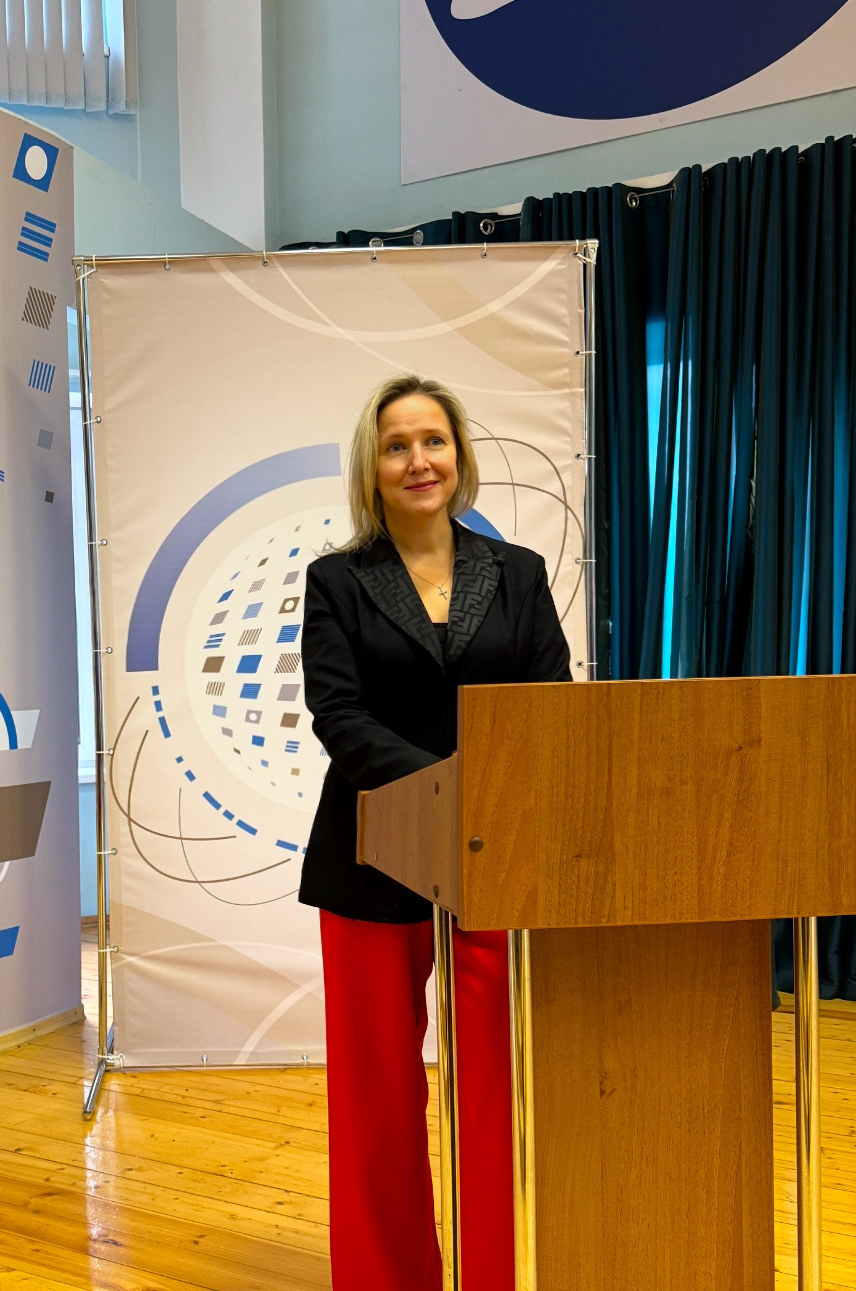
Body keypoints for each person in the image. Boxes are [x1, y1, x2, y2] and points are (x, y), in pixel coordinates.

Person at [300, 374, 571, 1290]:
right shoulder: (336, 581)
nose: (418, 460)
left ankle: (498, 1274)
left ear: (459, 456)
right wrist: (446, 786)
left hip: (499, 857)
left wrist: (484, 799)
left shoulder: (519, 573)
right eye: (396, 445)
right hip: (371, 859)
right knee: (377, 1097)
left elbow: (549, 705)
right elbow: (339, 715)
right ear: (371, 468)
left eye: (433, 441)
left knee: (499, 1090)